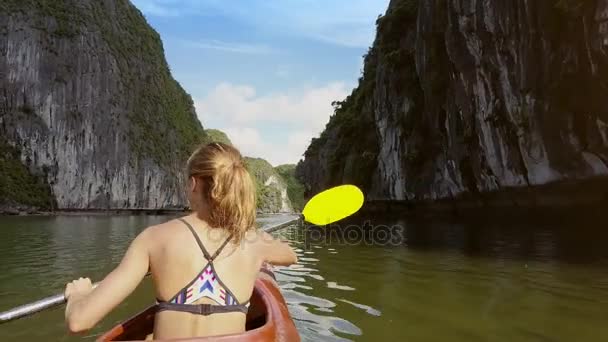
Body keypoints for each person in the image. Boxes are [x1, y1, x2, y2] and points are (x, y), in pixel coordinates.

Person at [63, 143, 298, 339]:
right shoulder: (253, 241)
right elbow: (290, 256)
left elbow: (79, 321)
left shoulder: (153, 239)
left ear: (194, 183)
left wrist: (78, 295)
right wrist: (259, 239)